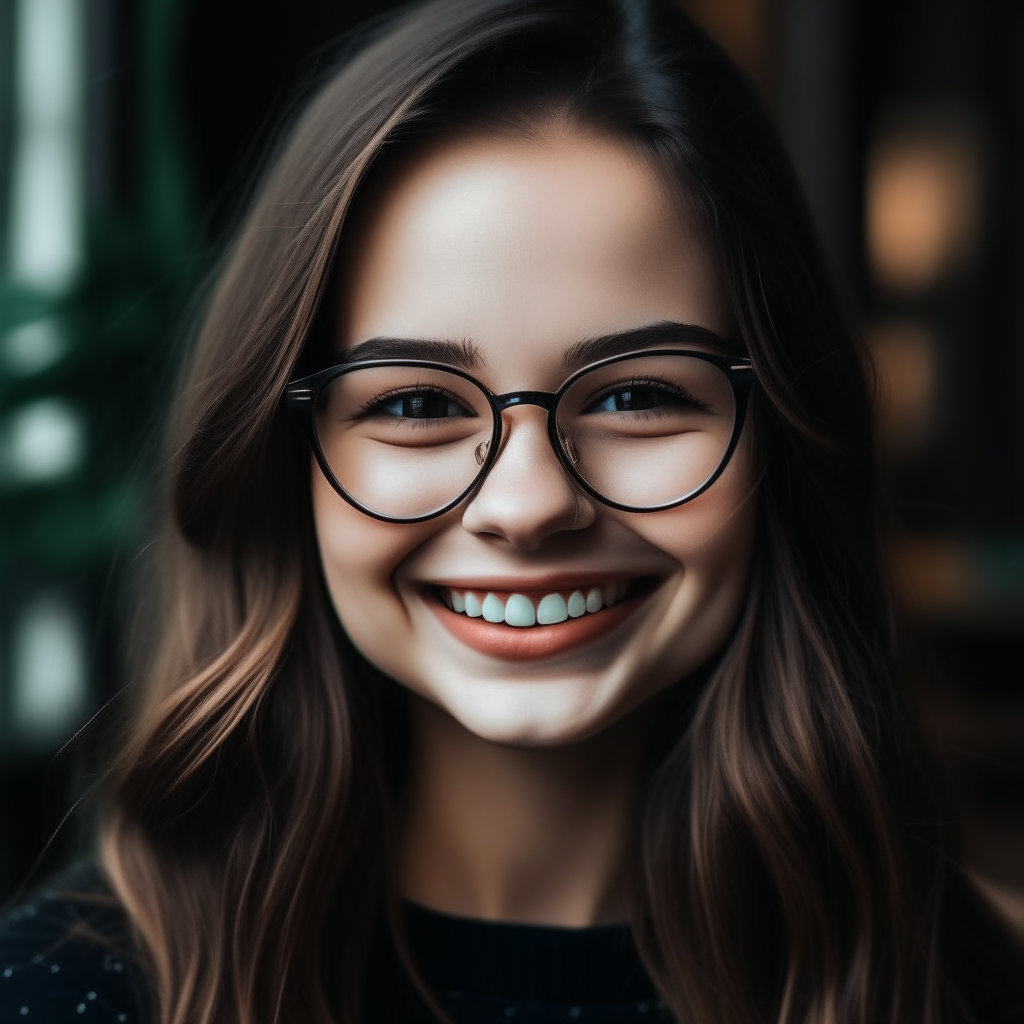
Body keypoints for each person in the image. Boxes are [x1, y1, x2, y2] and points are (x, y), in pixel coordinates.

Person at [1, 1, 1021, 1022]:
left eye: (636, 395)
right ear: (282, 461)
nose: (527, 505)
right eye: (414, 403)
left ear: (780, 439)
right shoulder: (57, 995)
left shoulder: (973, 986)